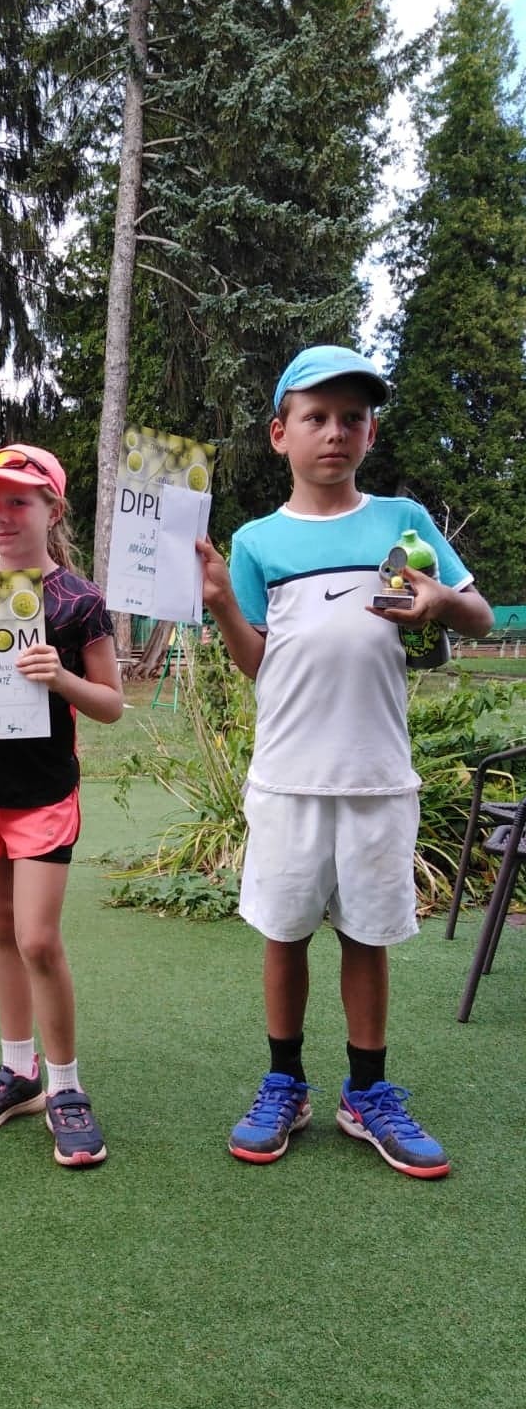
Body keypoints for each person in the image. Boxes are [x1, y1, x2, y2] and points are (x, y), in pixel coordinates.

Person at [196, 345, 493, 1178]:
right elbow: (257, 662)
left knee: (367, 937)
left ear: (370, 433)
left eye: (352, 418)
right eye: (316, 417)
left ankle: (366, 1092)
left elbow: (474, 614)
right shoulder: (256, 541)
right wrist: (221, 605)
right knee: (285, 933)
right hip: (287, 776)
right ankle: (284, 1082)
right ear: (279, 433)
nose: (334, 432)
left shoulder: (403, 521)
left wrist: (441, 601)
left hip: (377, 776)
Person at [0, 444, 124, 1167]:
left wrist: (61, 679)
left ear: (52, 509)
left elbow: (111, 704)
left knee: (38, 938)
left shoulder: (77, 601)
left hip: (42, 791)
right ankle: (19, 1071)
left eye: (17, 501)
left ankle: (65, 1085)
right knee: (4, 931)